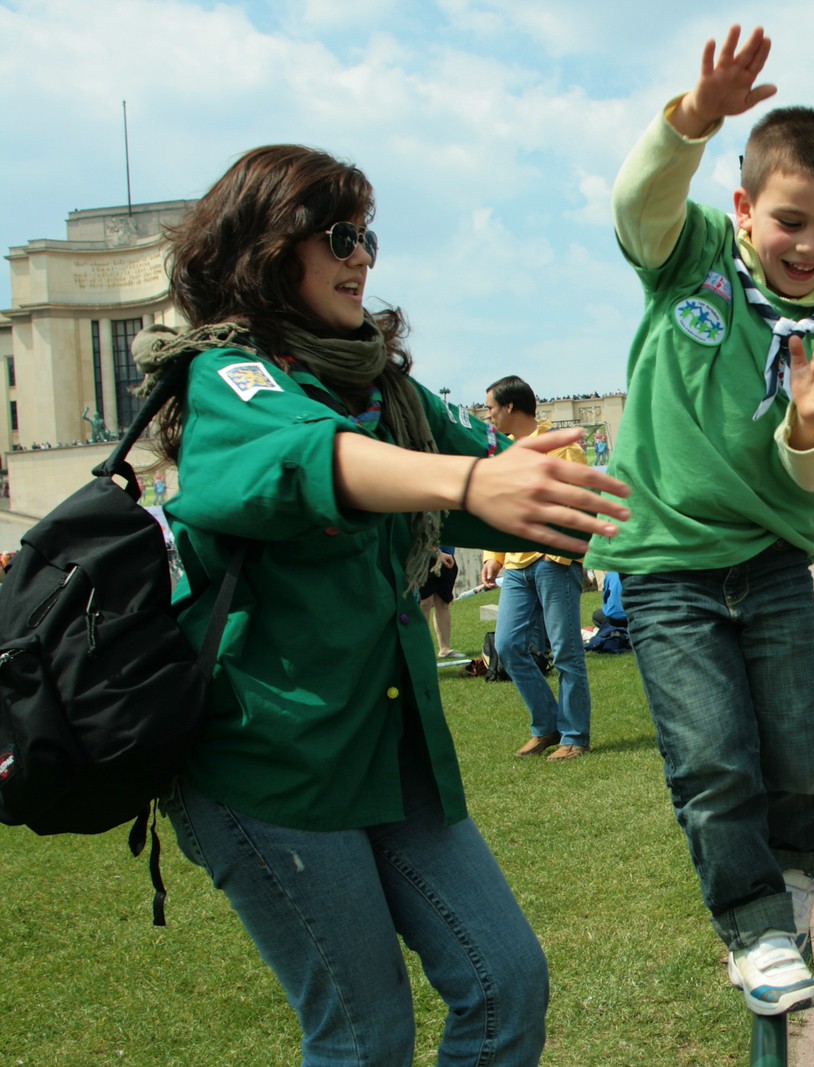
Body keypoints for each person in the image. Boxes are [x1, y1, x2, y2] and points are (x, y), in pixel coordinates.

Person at [141, 144, 631, 1066]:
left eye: (367, 234)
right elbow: (305, 459)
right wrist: (469, 480)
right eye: (337, 235)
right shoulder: (227, 380)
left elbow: (505, 480)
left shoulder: (384, 389)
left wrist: (713, 489)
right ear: (262, 248)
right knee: (364, 1037)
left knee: (506, 983)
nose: (362, 255)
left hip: (384, 750)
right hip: (267, 763)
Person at [585, 25, 814, 1018]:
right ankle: (751, 925)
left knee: (800, 754)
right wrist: (697, 119)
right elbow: (638, 203)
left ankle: (789, 883)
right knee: (711, 756)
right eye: (791, 220)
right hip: (665, 563)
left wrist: (812, 427)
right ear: (744, 209)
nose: (809, 246)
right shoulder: (693, 255)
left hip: (771, 560)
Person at [480, 375, 594, 761]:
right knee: (508, 646)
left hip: (553, 563)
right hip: (515, 566)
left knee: (565, 651)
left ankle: (574, 735)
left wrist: (559, 552)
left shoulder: (560, 445)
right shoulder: (499, 452)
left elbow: (581, 498)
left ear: (510, 407)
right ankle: (547, 727)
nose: (489, 416)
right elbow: (497, 507)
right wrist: (492, 557)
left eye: (491, 408)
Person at [420, 546, 460, 658]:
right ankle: (422, 649)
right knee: (424, 604)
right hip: (423, 557)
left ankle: (445, 649)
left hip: (447, 557)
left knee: (443, 603)